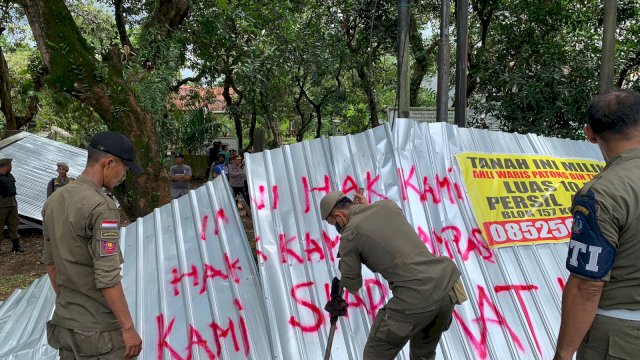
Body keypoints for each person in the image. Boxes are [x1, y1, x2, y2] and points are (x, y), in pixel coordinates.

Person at [320, 191, 464, 359]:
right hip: (447, 287)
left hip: (416, 296)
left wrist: (344, 265)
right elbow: (388, 232)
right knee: (423, 355)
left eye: (333, 223)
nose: (337, 227)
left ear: (338, 216)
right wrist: (366, 209)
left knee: (375, 354)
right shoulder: (387, 205)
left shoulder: (349, 235)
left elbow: (353, 286)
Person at [554, 89, 640, 360]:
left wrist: (564, 354)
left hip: (620, 338)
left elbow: (587, 286)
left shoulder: (601, 193)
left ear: (590, 134)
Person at [42, 131, 143, 359]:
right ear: (109, 163)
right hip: (101, 334)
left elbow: (50, 264)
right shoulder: (102, 207)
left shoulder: (53, 201)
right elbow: (107, 275)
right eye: (124, 169)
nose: (123, 176)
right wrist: (128, 328)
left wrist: (73, 305)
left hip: (65, 325)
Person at [0, 158, 23, 253]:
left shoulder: (10, 176)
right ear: (5, 166)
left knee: (14, 224)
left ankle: (16, 246)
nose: (11, 167)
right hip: (1, 205)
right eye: (10, 165)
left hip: (12, 204)